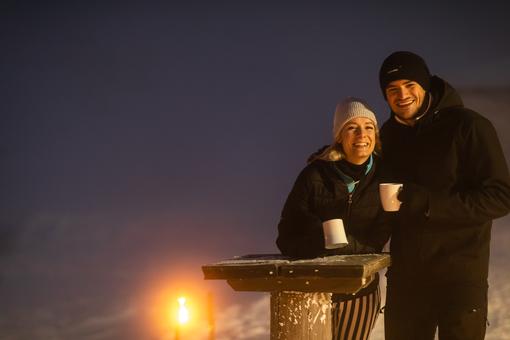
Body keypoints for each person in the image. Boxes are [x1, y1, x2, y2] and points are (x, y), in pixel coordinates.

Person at [378, 51, 510, 340]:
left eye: (409, 85)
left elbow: (500, 196)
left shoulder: (468, 126)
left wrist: (430, 204)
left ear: (425, 85)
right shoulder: (387, 136)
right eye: (392, 89)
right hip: (407, 280)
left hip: (460, 277)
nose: (402, 95)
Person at [276, 97, 392, 340]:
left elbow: (379, 238)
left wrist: (345, 244)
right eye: (352, 127)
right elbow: (286, 235)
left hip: (359, 291)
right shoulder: (314, 175)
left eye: (368, 127)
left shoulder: (385, 176)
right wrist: (322, 240)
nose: (362, 134)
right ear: (340, 136)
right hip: (312, 289)